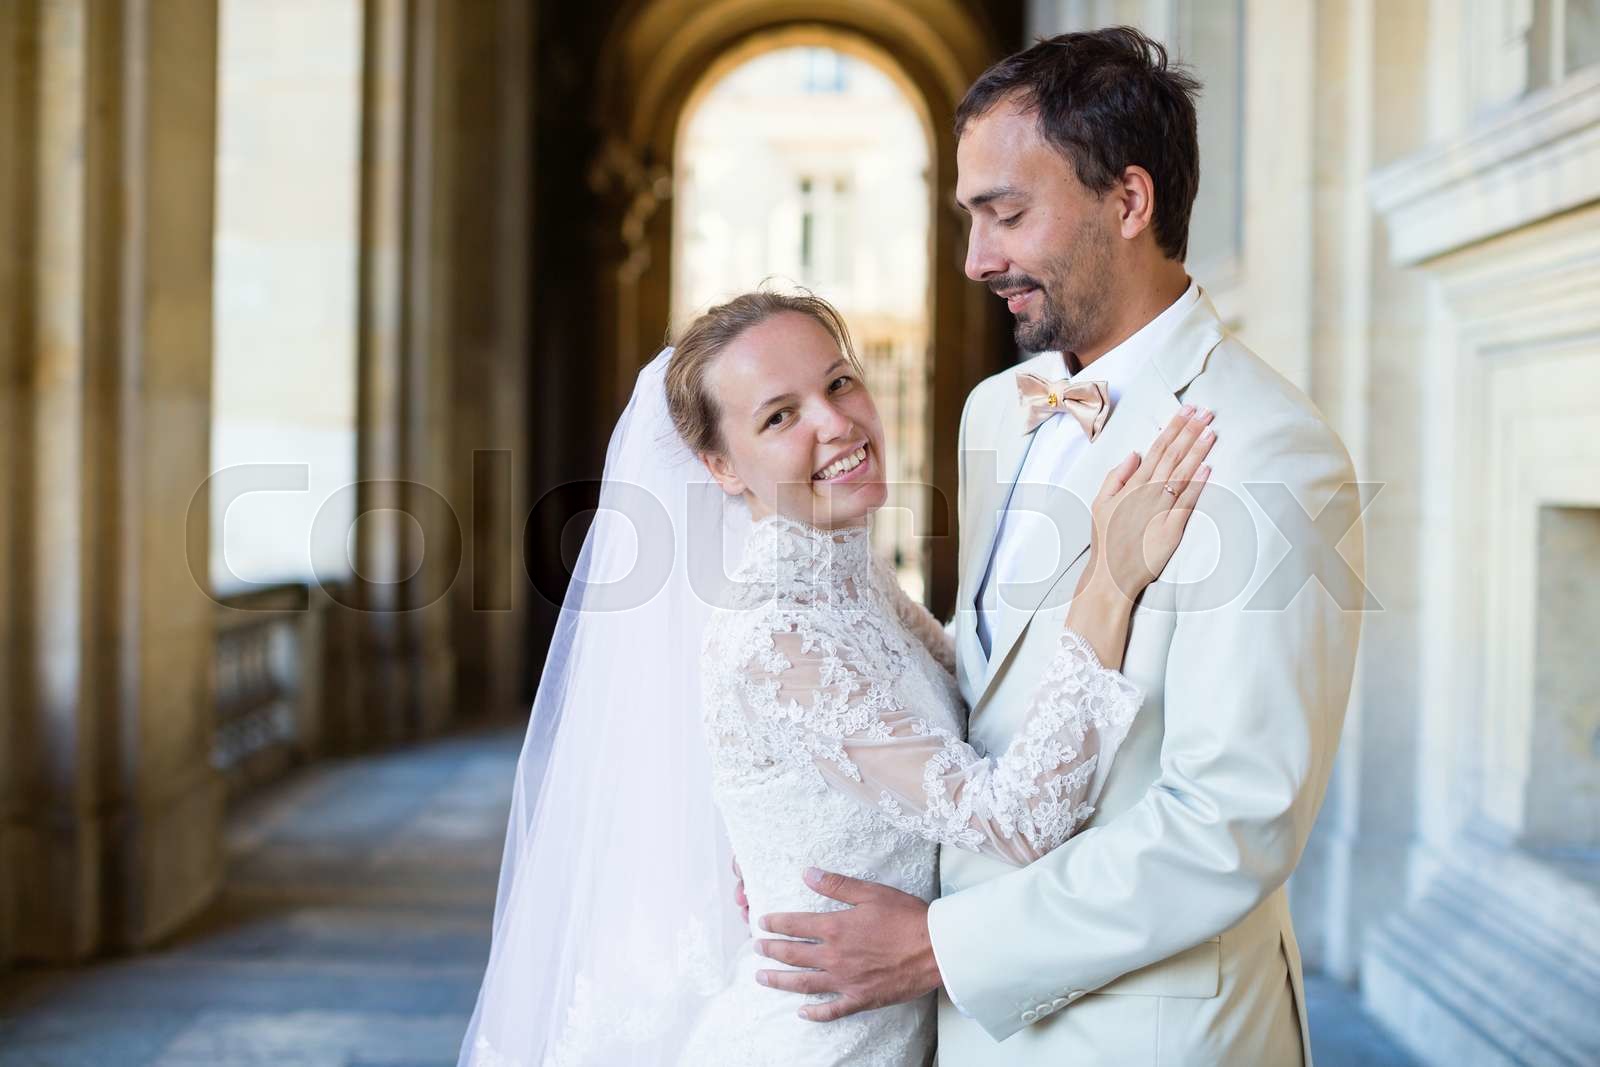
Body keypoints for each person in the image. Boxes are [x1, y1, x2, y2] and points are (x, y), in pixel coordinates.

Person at [748, 28, 1367, 1067]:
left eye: (1007, 214)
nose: (975, 260)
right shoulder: (998, 410)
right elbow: (980, 701)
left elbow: (1232, 821)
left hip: (1149, 1031)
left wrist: (943, 946)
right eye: (970, 217)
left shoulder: (1268, 450)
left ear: (1128, 202)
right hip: (961, 1022)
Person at [458, 289, 1216, 1067]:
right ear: (720, 466)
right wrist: (1111, 581)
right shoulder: (773, 638)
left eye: (839, 382)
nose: (835, 423)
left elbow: (961, 678)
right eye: (779, 416)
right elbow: (1018, 821)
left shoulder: (841, 566)